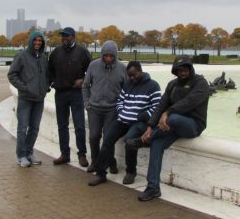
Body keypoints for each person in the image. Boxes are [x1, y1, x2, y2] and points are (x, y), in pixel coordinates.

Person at [127, 55, 210, 201]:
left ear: (190, 69)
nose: (182, 73)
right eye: (179, 70)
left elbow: (189, 102)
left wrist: (168, 113)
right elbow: (161, 106)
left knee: (173, 118)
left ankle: (143, 142)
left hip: (193, 125)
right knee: (156, 144)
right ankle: (153, 188)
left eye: (185, 69)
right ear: (175, 71)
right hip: (171, 127)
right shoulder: (172, 84)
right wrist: (150, 127)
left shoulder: (201, 83)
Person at [88, 61, 161, 186]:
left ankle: (131, 172)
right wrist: (121, 111)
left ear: (141, 71)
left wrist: (141, 116)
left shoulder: (153, 86)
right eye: (129, 76)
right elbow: (120, 101)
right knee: (107, 139)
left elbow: (157, 107)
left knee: (129, 141)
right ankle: (101, 174)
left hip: (139, 122)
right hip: (123, 120)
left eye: (134, 75)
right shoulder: (127, 84)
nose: (132, 78)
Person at [48, 27, 91, 167]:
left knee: (79, 125)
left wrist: (83, 80)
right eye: (63, 36)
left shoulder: (82, 52)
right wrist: (53, 82)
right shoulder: (55, 53)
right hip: (60, 93)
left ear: (73, 37)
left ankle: (82, 154)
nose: (64, 38)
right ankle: (64, 154)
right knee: (62, 126)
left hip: (76, 93)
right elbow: (50, 71)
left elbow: (91, 71)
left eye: (67, 36)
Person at [82, 40, 126, 173]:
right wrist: (86, 102)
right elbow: (85, 86)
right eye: (105, 56)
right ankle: (95, 162)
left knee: (108, 138)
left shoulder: (122, 68)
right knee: (94, 136)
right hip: (94, 108)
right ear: (102, 55)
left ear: (115, 56)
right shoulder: (93, 65)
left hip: (112, 110)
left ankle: (110, 162)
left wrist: (120, 106)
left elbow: (126, 90)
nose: (108, 58)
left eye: (111, 56)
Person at [7, 30, 50, 167]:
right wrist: (24, 87)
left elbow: (47, 75)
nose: (37, 43)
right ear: (31, 41)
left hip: (39, 99)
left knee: (35, 128)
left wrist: (46, 86)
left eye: (40, 40)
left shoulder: (43, 58)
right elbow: (12, 75)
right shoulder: (22, 56)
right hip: (25, 98)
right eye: (35, 40)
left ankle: (29, 153)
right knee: (22, 128)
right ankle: (21, 156)